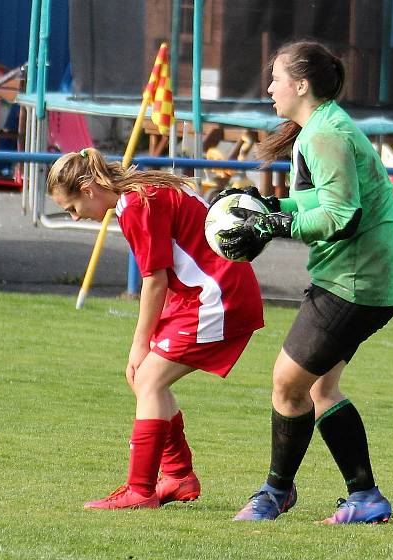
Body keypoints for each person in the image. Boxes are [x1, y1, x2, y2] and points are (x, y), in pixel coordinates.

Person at [214, 40, 393, 523]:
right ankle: (365, 498)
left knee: (287, 384)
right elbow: (320, 201)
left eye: (276, 78)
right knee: (320, 388)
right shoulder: (320, 128)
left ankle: (275, 493)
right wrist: (271, 208)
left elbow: (341, 214)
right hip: (360, 277)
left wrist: (276, 226)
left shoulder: (325, 134)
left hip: (354, 281)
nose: (270, 88)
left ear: (301, 85)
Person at [47, 148, 265, 509]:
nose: (75, 217)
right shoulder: (142, 187)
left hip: (217, 297)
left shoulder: (135, 204)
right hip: (207, 292)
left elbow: (154, 281)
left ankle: (141, 490)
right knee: (145, 379)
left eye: (71, 208)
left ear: (87, 189)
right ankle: (178, 476)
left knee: (147, 378)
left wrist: (140, 343)